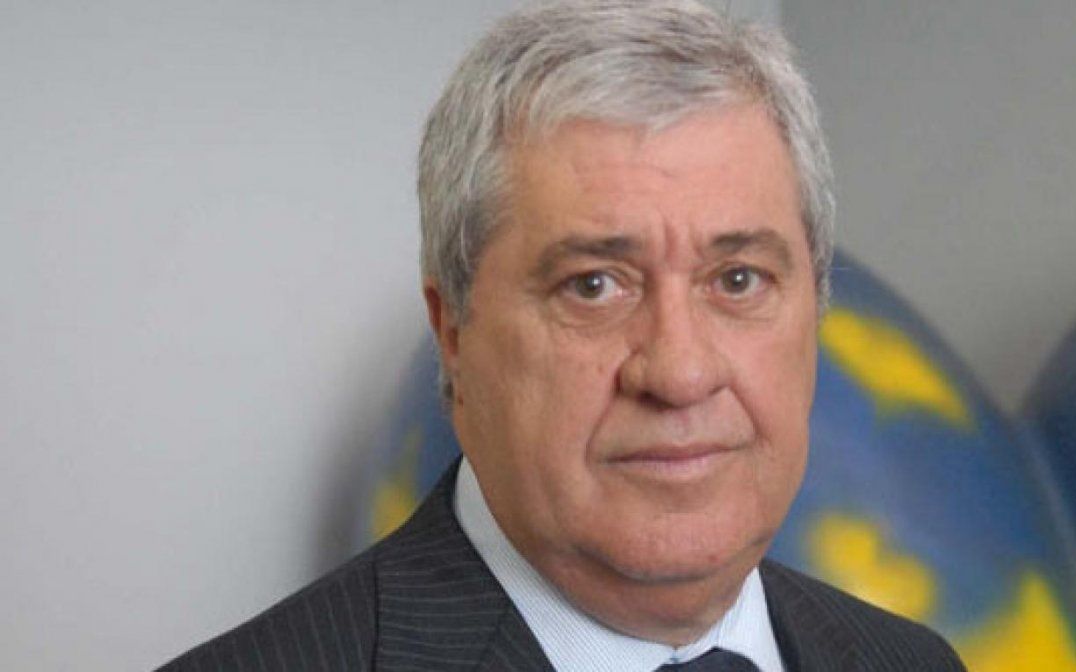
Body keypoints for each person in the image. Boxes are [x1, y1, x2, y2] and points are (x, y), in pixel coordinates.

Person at [161, 1, 965, 669]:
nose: (680, 373)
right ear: (454, 333)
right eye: (594, 285)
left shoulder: (910, 662)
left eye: (737, 280)